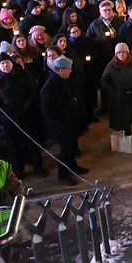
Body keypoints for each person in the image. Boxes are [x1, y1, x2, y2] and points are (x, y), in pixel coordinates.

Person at [41, 56, 87, 185]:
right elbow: (48, 110)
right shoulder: (50, 87)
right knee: (65, 150)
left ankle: (73, 166)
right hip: (62, 125)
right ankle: (64, 174)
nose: (70, 71)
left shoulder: (64, 80)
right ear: (60, 70)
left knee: (72, 146)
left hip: (71, 121)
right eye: (68, 69)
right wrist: (60, 123)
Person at [101, 42, 132, 145]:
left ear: (128, 53)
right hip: (120, 96)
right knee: (123, 118)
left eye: (123, 52)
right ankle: (128, 137)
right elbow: (105, 80)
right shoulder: (111, 65)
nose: (121, 55)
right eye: (119, 53)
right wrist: (112, 91)